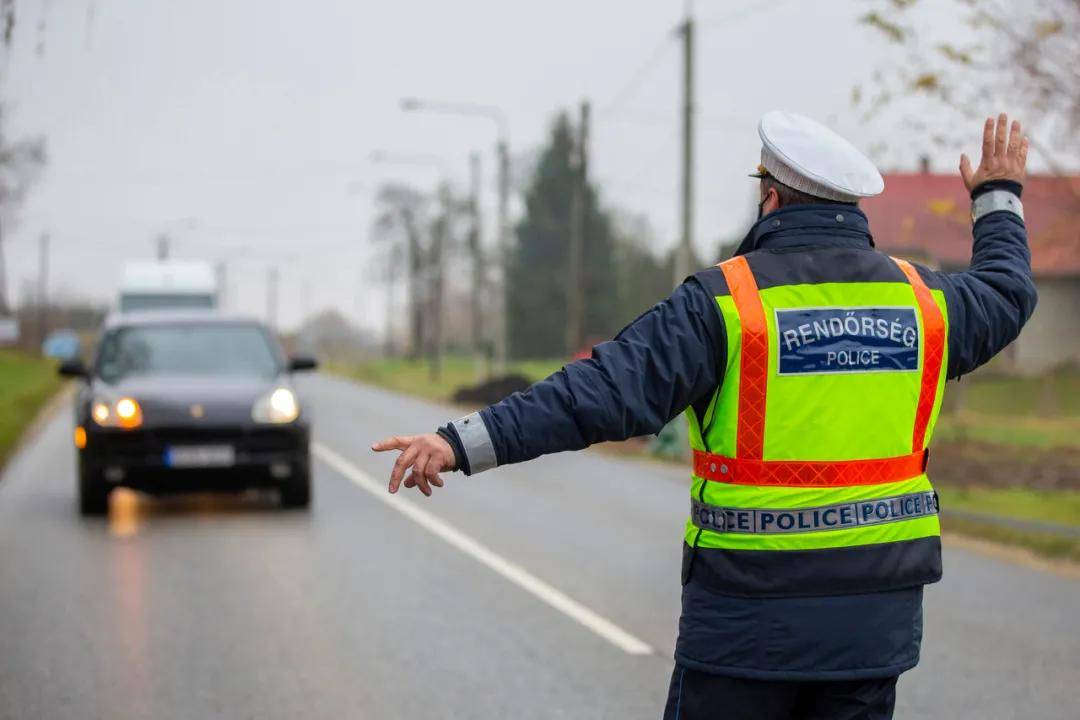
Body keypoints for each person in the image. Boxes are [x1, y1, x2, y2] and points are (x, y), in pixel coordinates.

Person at [372, 111, 1036, 720]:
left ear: (771, 196)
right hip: (872, 629)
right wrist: (997, 198)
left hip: (747, 628)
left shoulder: (726, 303)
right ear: (849, 206)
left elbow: (596, 392)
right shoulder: (924, 304)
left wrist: (462, 441)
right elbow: (1007, 292)